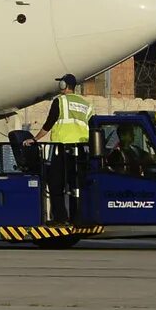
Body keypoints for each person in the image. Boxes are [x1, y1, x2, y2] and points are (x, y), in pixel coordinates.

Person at [43, 74, 95, 226]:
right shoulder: (86, 104)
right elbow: (92, 127)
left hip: (62, 148)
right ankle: (78, 217)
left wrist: (34, 139)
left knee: (56, 185)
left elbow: (49, 124)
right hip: (81, 150)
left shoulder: (60, 101)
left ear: (64, 85)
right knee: (76, 185)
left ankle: (60, 218)